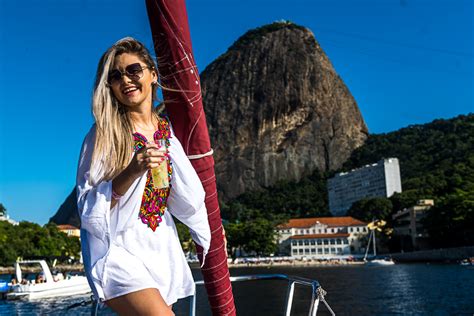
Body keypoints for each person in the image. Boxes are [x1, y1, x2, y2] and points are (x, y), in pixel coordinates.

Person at [76, 37, 211, 315]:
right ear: (110, 87)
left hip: (159, 245)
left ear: (152, 74)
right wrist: (132, 170)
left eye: (133, 70)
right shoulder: (103, 134)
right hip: (118, 249)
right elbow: (88, 207)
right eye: (115, 76)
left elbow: (183, 195)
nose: (125, 80)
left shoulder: (167, 134)